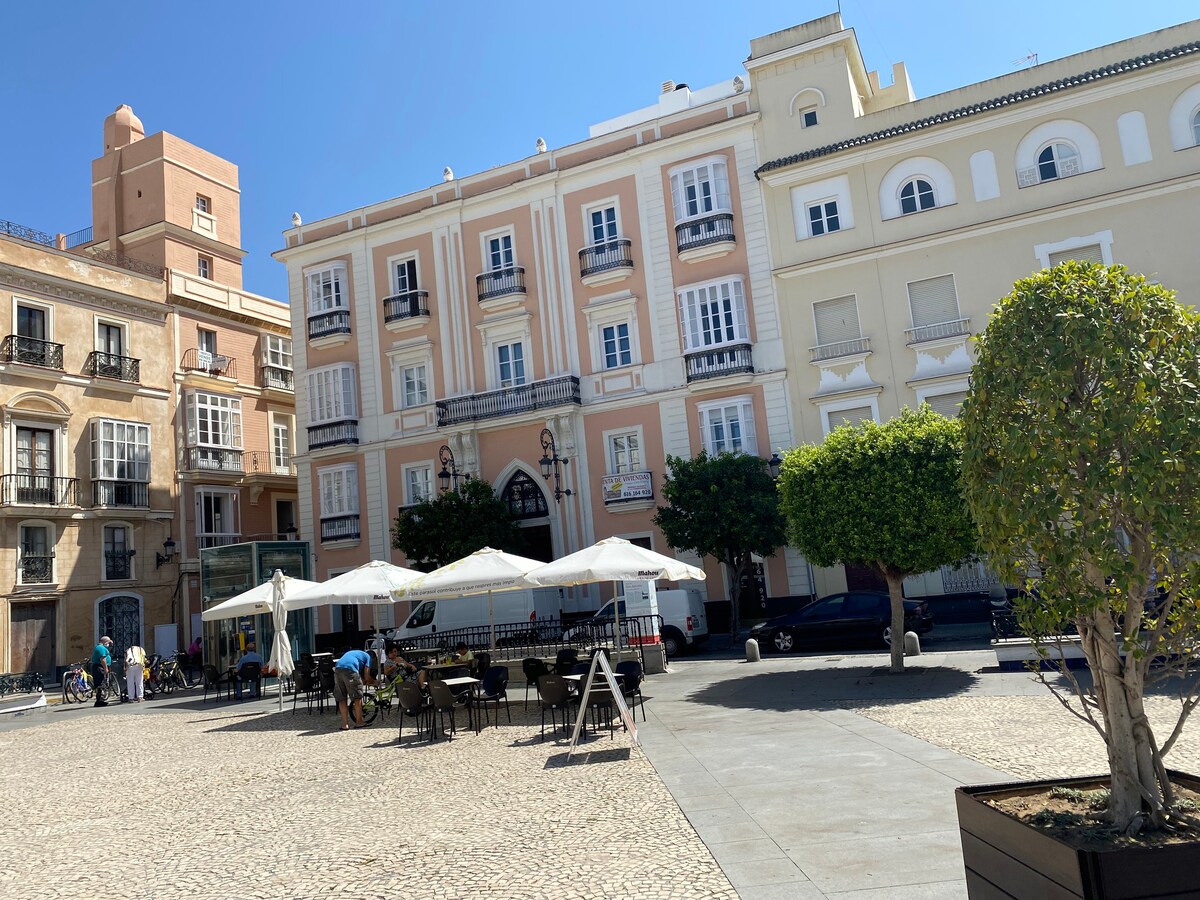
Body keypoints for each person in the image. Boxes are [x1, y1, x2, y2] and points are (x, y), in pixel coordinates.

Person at [333, 648, 376, 730]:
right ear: (373, 658)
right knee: (357, 697)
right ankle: (359, 722)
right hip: (350, 669)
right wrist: (374, 682)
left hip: (337, 669)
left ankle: (344, 724)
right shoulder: (368, 657)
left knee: (341, 698)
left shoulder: (355, 653)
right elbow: (367, 677)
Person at [90, 636, 113, 708]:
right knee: (101, 683)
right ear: (105, 642)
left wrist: (111, 644)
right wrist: (105, 668)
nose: (109, 644)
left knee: (101, 683)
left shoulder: (101, 647)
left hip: (99, 667)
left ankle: (100, 700)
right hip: (99, 667)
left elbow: (107, 653)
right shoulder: (100, 648)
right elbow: (102, 659)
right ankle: (99, 701)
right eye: (108, 643)